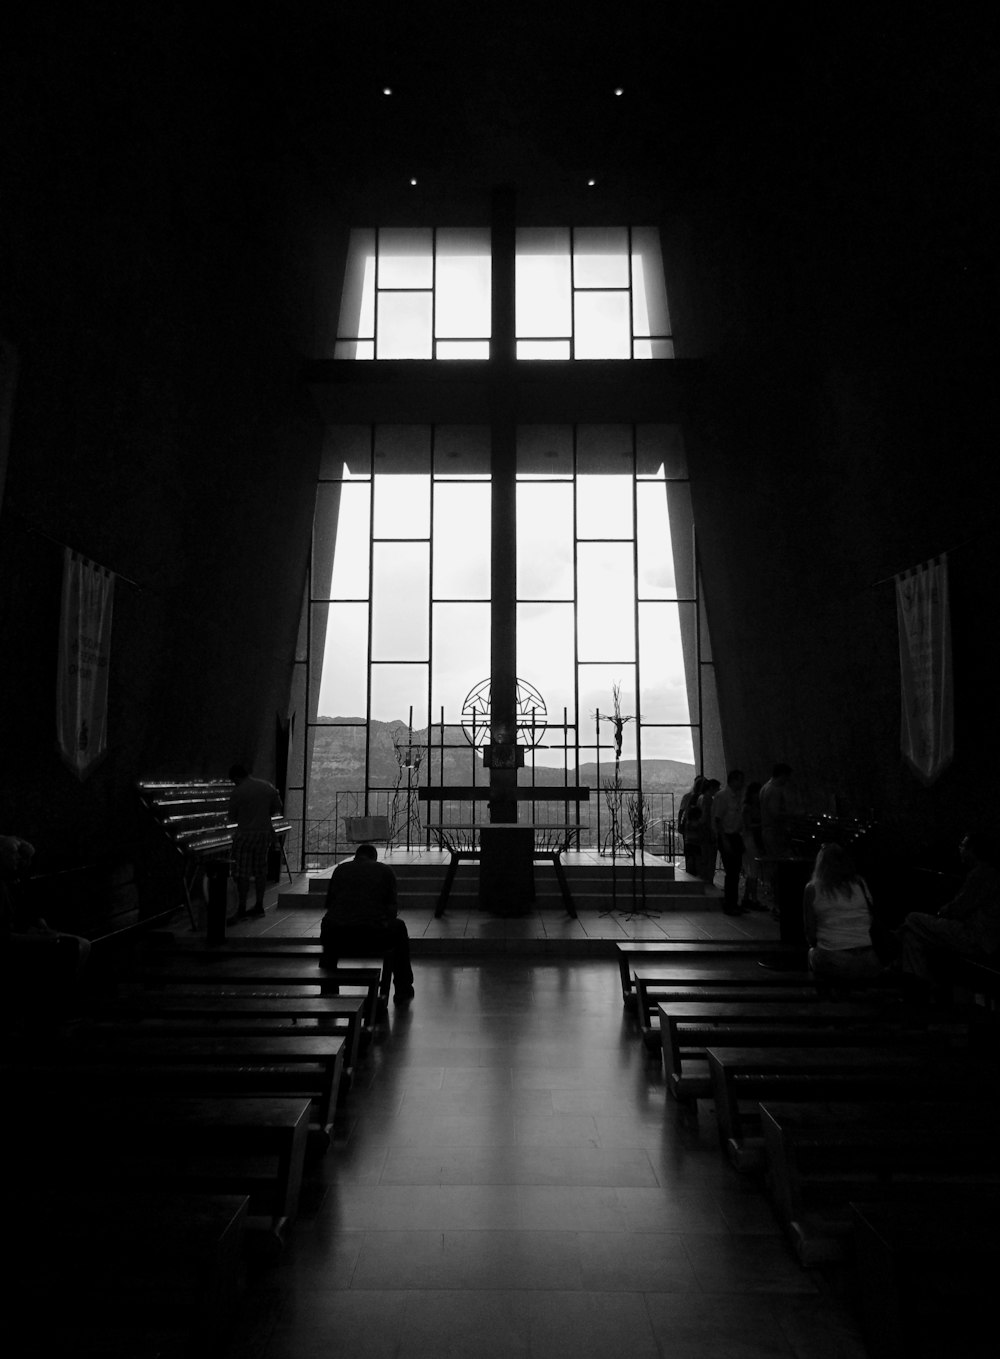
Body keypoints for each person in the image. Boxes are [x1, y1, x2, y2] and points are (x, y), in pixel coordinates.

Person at [899, 832, 1000, 994]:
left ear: (972, 850)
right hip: (980, 937)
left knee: (913, 918)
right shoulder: (988, 873)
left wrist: (940, 912)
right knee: (912, 937)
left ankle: (896, 951)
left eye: (962, 846)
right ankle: (919, 986)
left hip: (974, 937)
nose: (959, 849)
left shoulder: (981, 874)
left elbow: (958, 908)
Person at [320, 843, 414, 1004]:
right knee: (399, 927)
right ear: (374, 857)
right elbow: (391, 909)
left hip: (338, 936)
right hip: (373, 936)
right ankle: (403, 987)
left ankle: (328, 986)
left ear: (356, 856)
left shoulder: (340, 870)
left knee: (329, 923)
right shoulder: (384, 870)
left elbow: (330, 904)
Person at [802, 843, 882, 991]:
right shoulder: (860, 883)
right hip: (869, 959)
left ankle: (820, 1002)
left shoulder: (813, 889)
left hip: (835, 960)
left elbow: (810, 934)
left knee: (812, 954)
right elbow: (871, 917)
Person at [226, 763, 282, 924]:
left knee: (242, 872)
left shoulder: (238, 791)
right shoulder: (267, 787)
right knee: (260, 870)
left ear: (236, 777)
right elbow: (277, 807)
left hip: (245, 834)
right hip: (264, 834)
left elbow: (232, 816)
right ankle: (259, 905)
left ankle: (242, 907)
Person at [712, 769, 746, 915]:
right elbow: (718, 819)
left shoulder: (737, 796)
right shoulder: (723, 796)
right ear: (733, 781)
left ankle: (733, 902)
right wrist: (724, 840)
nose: (742, 783)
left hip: (735, 835)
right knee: (732, 871)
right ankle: (729, 904)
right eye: (740, 780)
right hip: (727, 836)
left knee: (735, 871)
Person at [760, 763, 794, 858]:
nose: (788, 780)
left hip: (767, 831)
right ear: (782, 775)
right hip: (775, 832)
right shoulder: (774, 790)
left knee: (772, 862)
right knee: (780, 861)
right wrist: (793, 814)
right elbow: (775, 813)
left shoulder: (765, 787)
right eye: (787, 776)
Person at [740, 781, 765, 908]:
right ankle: (752, 898)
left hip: (750, 839)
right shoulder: (749, 808)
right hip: (750, 840)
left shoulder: (747, 807)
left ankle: (748, 897)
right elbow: (747, 825)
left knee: (752, 870)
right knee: (753, 870)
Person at [697, 778, 721, 883]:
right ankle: (708, 880)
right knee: (710, 858)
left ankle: (703, 878)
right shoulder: (708, 799)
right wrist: (713, 831)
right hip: (708, 832)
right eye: (717, 788)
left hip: (702, 831)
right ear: (712, 788)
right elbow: (708, 816)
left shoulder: (700, 798)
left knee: (704, 857)